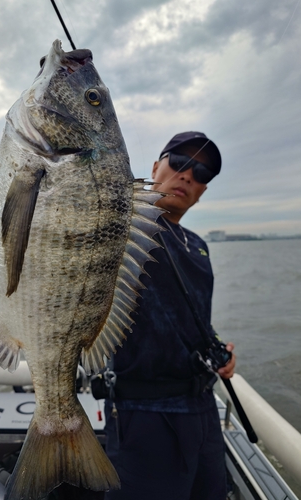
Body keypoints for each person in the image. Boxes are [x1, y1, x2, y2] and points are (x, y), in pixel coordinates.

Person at [104, 131, 236, 500]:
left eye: (203, 173)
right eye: (179, 163)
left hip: (203, 408)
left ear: (204, 190)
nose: (189, 175)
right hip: (144, 413)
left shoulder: (199, 245)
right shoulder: (123, 225)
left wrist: (219, 350)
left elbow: (191, 315)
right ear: (155, 167)